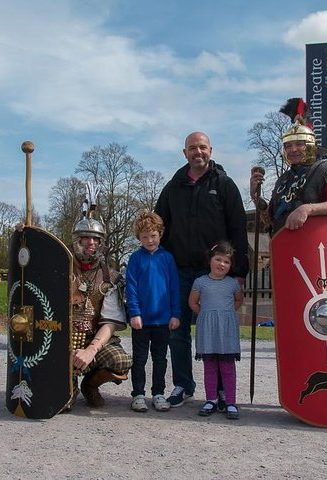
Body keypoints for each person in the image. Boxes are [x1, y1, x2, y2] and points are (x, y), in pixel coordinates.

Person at [155, 131, 249, 408]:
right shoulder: (173, 187)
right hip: (179, 271)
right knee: (177, 332)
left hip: (216, 275)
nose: (198, 152)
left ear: (211, 150)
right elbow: (159, 227)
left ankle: (220, 391)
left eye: (203, 147)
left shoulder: (225, 185)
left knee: (218, 332)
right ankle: (183, 384)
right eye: (192, 148)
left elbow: (238, 230)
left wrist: (239, 272)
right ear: (185, 153)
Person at [249, 98, 327, 235]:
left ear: (310, 145)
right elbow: (270, 221)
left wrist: (307, 209)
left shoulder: (325, 169)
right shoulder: (283, 180)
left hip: (315, 244)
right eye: (288, 146)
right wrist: (255, 196)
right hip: (287, 247)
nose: (293, 149)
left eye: (299, 144)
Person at [68, 206, 133, 409]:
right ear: (77, 239)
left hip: (94, 338)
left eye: (96, 239)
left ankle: (90, 385)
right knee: (62, 403)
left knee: (120, 360)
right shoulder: (58, 267)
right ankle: (68, 387)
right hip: (62, 339)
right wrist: (24, 233)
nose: (92, 243)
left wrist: (90, 350)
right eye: (86, 238)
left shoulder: (110, 277)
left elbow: (110, 322)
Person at [125, 211, 180, 412]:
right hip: (141, 319)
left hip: (163, 319)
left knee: (160, 358)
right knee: (139, 358)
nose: (149, 240)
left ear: (160, 234)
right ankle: (138, 394)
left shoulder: (167, 258)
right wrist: (134, 313)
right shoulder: (135, 259)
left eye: (153, 235)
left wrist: (176, 313)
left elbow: (174, 287)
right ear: (139, 238)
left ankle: (158, 393)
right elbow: (131, 287)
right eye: (145, 236)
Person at [189, 241, 244, 420]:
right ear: (210, 260)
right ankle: (210, 399)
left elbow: (238, 301)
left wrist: (225, 315)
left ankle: (230, 401)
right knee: (210, 366)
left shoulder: (233, 284)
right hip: (208, 329)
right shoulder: (200, 282)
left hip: (226, 329)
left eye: (226, 262)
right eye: (218, 259)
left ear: (230, 266)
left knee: (228, 367)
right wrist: (206, 314)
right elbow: (192, 302)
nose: (222, 264)